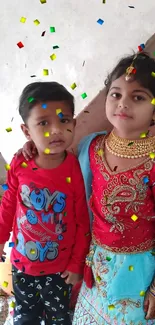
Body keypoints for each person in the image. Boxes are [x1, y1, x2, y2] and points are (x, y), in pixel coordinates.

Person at [21, 52, 155, 324]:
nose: (123, 104)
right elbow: (58, 170)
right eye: (115, 94)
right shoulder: (92, 146)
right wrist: (35, 149)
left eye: (138, 97)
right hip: (95, 265)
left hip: (141, 272)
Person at [0, 81, 91, 325]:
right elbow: (8, 204)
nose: (56, 130)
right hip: (22, 266)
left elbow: (82, 220)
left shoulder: (75, 167)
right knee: (24, 318)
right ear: (27, 131)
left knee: (59, 319)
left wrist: (76, 264)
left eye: (64, 120)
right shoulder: (20, 163)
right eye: (43, 123)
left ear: (73, 123)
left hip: (59, 271)